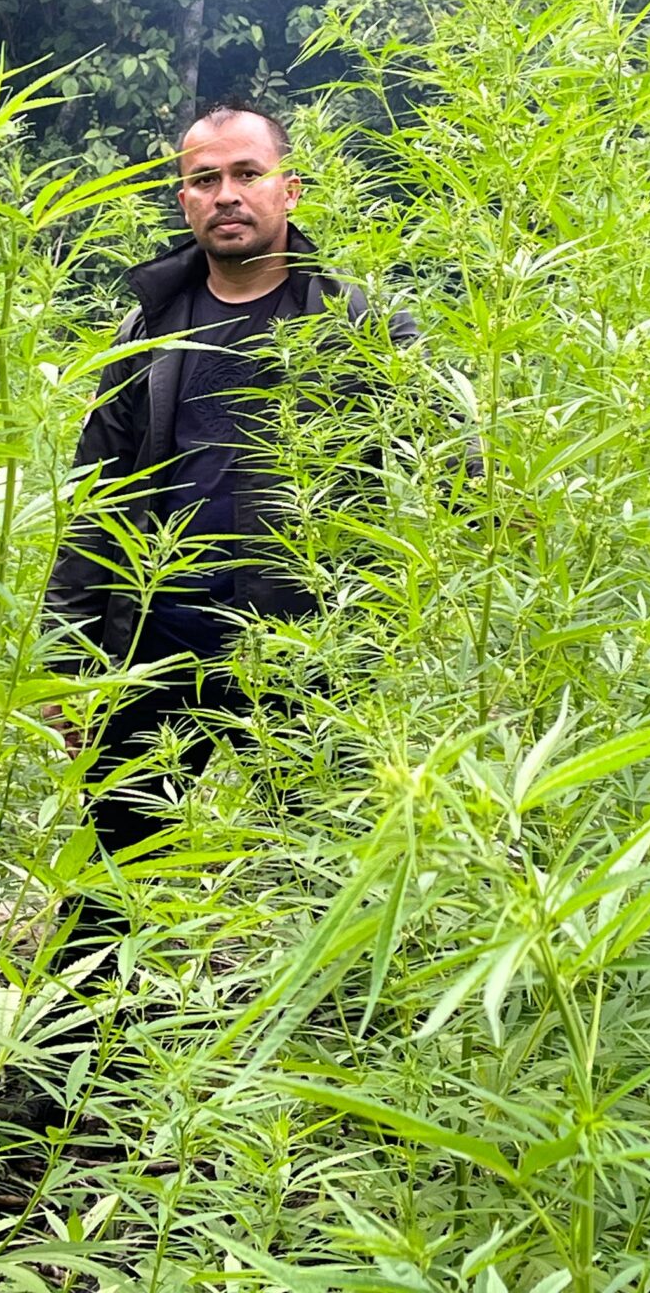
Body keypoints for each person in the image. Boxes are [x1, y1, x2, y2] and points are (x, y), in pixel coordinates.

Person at [40, 102, 411, 958]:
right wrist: (66, 657)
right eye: (204, 179)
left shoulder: (357, 325)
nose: (226, 194)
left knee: (334, 875)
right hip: (157, 643)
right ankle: (62, 1076)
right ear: (183, 201)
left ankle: (335, 1065)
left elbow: (450, 456)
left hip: (305, 648)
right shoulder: (146, 331)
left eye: (246, 173)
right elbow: (92, 498)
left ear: (290, 189)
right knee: (111, 871)